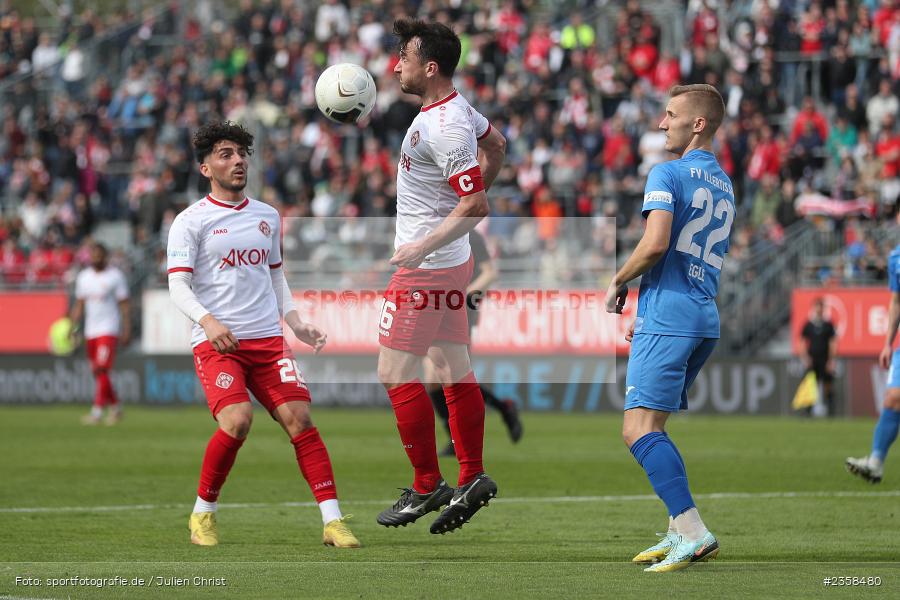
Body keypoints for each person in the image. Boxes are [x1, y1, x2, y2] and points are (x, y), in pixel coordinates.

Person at [166, 121, 359, 548]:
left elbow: (275, 277)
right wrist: (208, 322)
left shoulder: (267, 216)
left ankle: (333, 522)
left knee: (301, 420)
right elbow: (177, 285)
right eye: (225, 154)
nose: (237, 161)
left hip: (268, 341)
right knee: (237, 421)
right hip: (219, 342)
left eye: (240, 153)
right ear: (205, 168)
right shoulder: (189, 222)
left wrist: (296, 321)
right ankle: (203, 515)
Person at [375, 18, 507, 534]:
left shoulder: (443, 126)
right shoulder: (458, 110)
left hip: (427, 270)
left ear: (429, 67)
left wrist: (421, 246)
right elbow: (497, 148)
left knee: (394, 372)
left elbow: (474, 203)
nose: (395, 65)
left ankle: (428, 483)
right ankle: (472, 476)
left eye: (403, 56)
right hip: (453, 266)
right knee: (452, 366)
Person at [605, 84, 733, 572]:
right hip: (703, 315)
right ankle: (679, 530)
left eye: (671, 114)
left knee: (636, 430)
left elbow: (656, 243)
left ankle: (695, 531)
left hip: (672, 315)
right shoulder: (723, 182)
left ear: (697, 124)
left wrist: (619, 278)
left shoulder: (667, 172)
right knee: (653, 424)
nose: (662, 123)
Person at [426, 228, 523, 457]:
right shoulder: (434, 231)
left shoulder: (470, 235)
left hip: (460, 309)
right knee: (435, 379)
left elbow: (490, 273)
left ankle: (459, 438)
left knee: (451, 375)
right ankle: (500, 408)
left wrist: (463, 295)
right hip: (437, 305)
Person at [846, 235, 900, 484]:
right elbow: (896, 301)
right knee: (893, 397)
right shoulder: (895, 257)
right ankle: (876, 462)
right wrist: (887, 343)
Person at [71, 242, 130, 426]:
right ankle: (116, 407)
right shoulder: (84, 277)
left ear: (105, 257)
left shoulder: (115, 276)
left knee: (102, 368)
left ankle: (96, 413)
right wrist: (73, 328)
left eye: (99, 255)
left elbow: (124, 305)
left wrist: (126, 329)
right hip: (91, 330)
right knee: (97, 371)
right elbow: (79, 304)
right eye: (93, 255)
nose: (96, 258)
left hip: (108, 328)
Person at [800, 298, 837, 415]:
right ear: (814, 308)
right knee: (810, 383)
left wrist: (831, 360)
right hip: (812, 359)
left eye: (821, 307)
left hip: (825, 359)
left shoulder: (828, 325)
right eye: (817, 307)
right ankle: (808, 410)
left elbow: (832, 343)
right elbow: (802, 342)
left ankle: (830, 408)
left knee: (827, 383)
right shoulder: (808, 325)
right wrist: (805, 357)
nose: (819, 309)